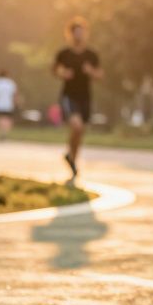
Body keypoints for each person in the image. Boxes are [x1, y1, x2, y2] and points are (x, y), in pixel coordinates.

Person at [52, 17, 102, 185]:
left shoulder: (91, 55)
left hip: (85, 96)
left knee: (80, 132)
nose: (79, 35)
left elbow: (100, 75)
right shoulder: (64, 54)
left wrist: (90, 71)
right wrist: (63, 74)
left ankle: (72, 159)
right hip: (69, 96)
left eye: (81, 32)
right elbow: (54, 70)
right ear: (70, 34)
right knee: (76, 126)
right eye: (76, 32)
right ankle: (72, 158)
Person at [0, 69, 19, 141]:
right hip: (8, 104)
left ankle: (0, 133)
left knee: (0, 118)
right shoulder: (10, 83)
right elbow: (15, 94)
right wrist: (16, 103)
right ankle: (5, 133)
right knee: (7, 119)